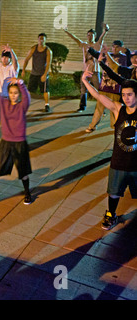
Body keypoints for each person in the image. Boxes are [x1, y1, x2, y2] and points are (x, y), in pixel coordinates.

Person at [81, 70, 137, 230]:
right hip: (118, 162)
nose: (126, 98)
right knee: (113, 193)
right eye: (124, 95)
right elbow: (99, 96)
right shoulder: (119, 109)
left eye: (130, 95)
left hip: (136, 164)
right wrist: (85, 81)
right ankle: (111, 214)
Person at [0, 75, 33, 205]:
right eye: (11, 93)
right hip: (6, 142)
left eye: (16, 93)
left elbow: (27, 98)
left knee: (23, 171)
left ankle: (27, 193)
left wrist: (21, 83)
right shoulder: (3, 103)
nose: (13, 95)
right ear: (8, 93)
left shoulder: (22, 106)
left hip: (20, 143)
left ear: (19, 94)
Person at [85, 41, 129, 133]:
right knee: (98, 109)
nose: (115, 49)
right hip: (104, 87)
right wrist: (89, 48)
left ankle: (115, 127)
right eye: (113, 46)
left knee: (114, 110)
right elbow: (96, 54)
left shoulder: (124, 58)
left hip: (116, 88)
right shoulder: (106, 56)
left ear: (121, 48)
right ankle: (92, 126)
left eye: (117, 47)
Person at [63, 24, 109, 112]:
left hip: (94, 71)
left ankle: (101, 109)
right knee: (83, 90)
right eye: (88, 35)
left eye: (92, 35)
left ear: (94, 36)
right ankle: (82, 106)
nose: (90, 36)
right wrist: (66, 31)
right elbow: (75, 38)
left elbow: (102, 38)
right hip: (85, 71)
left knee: (99, 90)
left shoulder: (97, 45)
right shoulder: (84, 45)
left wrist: (105, 31)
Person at [22, 33, 52, 112]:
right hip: (34, 73)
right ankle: (25, 104)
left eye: (43, 39)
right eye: (40, 38)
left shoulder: (48, 51)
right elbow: (26, 59)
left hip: (43, 74)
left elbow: (48, 64)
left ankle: (47, 105)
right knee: (29, 90)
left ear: (45, 40)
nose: (41, 40)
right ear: (38, 39)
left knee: (45, 90)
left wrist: (45, 74)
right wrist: (23, 70)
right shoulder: (33, 49)